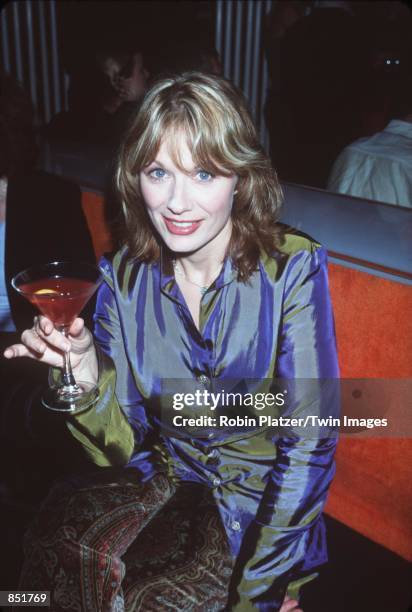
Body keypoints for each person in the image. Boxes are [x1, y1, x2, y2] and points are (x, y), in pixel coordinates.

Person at [4, 73, 339, 611]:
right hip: (163, 492)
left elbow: (310, 444)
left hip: (263, 518)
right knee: (46, 585)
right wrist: (89, 373)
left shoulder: (291, 266)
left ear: (241, 176)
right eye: (159, 172)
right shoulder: (122, 277)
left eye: (203, 172)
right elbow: (121, 444)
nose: (178, 202)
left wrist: (258, 594)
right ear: (136, 179)